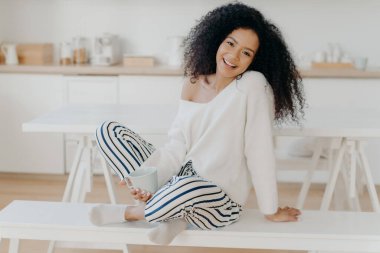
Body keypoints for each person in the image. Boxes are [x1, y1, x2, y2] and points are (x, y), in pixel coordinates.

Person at [89, 2, 305, 245]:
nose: (233, 56)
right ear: (217, 40)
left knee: (186, 186)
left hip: (220, 199)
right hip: (178, 183)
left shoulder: (253, 85)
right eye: (230, 43)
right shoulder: (193, 82)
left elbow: (260, 149)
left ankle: (133, 212)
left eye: (246, 52)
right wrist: (146, 177)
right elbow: (177, 145)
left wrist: (270, 209)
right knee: (108, 131)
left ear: (255, 60)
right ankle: (165, 209)